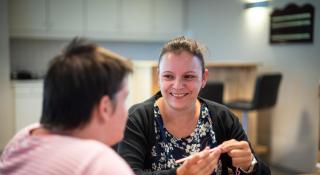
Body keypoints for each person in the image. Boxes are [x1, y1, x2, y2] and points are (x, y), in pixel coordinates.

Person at [117, 36, 270, 175]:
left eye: (188, 76)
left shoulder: (222, 118)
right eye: (168, 76)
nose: (177, 85)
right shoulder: (138, 118)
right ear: (159, 77)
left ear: (204, 78)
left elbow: (263, 172)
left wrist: (250, 164)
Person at [0, 38, 134, 175]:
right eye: (124, 99)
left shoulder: (21, 139)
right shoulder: (100, 165)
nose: (127, 112)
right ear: (105, 108)